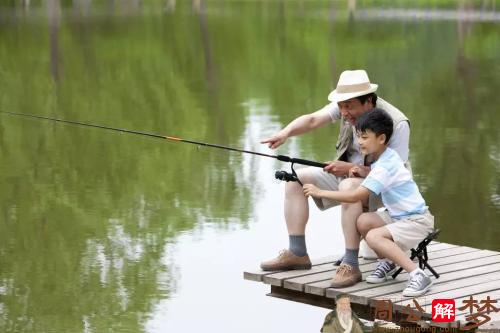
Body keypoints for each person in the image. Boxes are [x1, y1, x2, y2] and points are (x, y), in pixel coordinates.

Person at [259, 69, 411, 288]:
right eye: (341, 106)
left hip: (386, 188)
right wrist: (285, 133)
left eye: (349, 106)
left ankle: (350, 264)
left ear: (368, 101)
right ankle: (297, 253)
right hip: (348, 176)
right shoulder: (346, 107)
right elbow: (312, 120)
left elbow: (394, 174)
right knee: (294, 179)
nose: (344, 112)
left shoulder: (397, 123)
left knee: (349, 185)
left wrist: (350, 168)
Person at [303, 108, 435, 297]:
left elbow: (356, 196)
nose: (359, 142)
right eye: (358, 136)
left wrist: (319, 191)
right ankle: (388, 261)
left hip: (416, 221)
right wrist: (363, 171)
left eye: (364, 137)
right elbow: (376, 172)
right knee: (363, 221)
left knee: (373, 236)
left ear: (381, 139)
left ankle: (418, 275)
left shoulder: (385, 165)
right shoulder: (385, 157)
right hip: (399, 217)